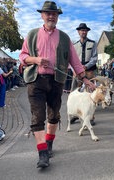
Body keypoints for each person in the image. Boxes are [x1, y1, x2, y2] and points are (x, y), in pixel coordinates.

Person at [19, 1, 95, 168]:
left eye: (54, 14)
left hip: (56, 81)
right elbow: (23, 56)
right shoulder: (32, 35)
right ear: (42, 15)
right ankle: (43, 153)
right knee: (37, 117)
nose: (51, 16)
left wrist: (85, 79)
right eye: (48, 13)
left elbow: (75, 61)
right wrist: (36, 59)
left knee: (53, 116)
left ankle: (49, 143)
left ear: (58, 17)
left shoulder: (64, 37)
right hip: (36, 80)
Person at [71, 23, 98, 125]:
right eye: (81, 30)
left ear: (87, 32)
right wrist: (74, 68)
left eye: (85, 30)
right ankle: (75, 115)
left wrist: (86, 66)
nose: (83, 32)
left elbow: (94, 58)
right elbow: (72, 59)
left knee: (90, 94)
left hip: (89, 70)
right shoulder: (74, 45)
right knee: (75, 93)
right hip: (77, 71)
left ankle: (90, 118)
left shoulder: (93, 43)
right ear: (78, 32)